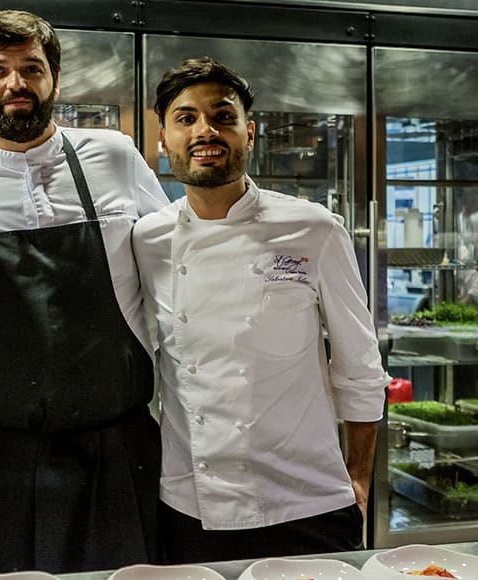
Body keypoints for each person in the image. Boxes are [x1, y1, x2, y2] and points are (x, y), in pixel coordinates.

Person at [0, 10, 169, 574]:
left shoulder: (116, 157)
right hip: (3, 458)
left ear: (55, 79)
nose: (16, 83)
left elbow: (175, 267)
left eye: (31, 68)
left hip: (118, 449)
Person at [133, 57, 391, 563]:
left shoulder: (314, 229)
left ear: (249, 133)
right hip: (188, 506)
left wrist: (359, 477)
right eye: (186, 118)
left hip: (308, 503)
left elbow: (360, 369)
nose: (205, 131)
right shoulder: (147, 239)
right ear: (164, 141)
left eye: (222, 116)